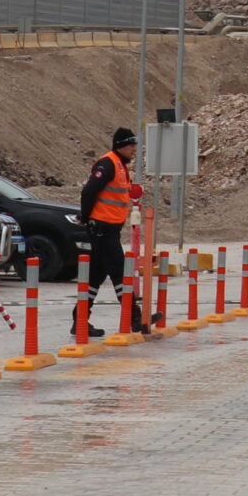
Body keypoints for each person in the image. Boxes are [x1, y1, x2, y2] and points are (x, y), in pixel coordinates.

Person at [73, 128, 142, 340]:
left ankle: (80, 320)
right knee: (119, 272)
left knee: (96, 276)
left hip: (110, 228)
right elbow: (88, 191)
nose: (134, 149)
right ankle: (135, 319)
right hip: (102, 229)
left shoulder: (120, 166)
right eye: (131, 145)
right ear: (121, 145)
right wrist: (86, 217)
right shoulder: (108, 164)